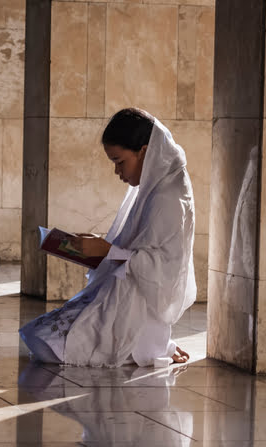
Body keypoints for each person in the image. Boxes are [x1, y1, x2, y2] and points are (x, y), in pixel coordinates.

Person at [20, 108, 196, 367]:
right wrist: (97, 248)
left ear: (145, 152)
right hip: (124, 295)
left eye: (120, 161)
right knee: (40, 335)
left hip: (138, 308)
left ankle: (150, 344)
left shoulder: (167, 195)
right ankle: (151, 344)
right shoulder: (155, 185)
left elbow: (162, 269)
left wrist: (106, 251)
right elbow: (137, 249)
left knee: (49, 345)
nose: (117, 172)